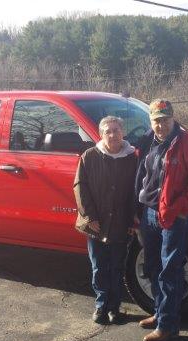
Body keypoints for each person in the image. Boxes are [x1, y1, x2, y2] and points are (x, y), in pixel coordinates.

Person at [134, 99, 188, 341]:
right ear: (150, 121)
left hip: (174, 217)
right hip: (148, 213)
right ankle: (159, 313)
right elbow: (140, 175)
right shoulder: (147, 141)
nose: (161, 125)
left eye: (165, 120)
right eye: (156, 120)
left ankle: (168, 326)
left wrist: (180, 209)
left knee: (171, 271)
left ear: (173, 118)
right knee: (153, 266)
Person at [73, 116, 138, 324]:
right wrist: (89, 216)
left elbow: (135, 192)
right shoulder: (89, 156)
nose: (113, 135)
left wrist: (132, 221)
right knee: (99, 267)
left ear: (122, 132)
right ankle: (101, 306)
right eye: (108, 131)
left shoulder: (132, 158)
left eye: (116, 130)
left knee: (117, 267)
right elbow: (80, 187)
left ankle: (114, 308)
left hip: (121, 225)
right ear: (101, 135)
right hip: (96, 225)